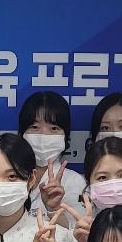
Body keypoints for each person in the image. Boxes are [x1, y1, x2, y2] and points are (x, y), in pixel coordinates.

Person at [19, 91, 86, 227]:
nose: (43, 135)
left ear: (65, 137)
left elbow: (80, 233)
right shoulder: (7, 177)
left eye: (54, 128)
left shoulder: (74, 182)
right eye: (35, 127)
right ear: (22, 133)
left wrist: (54, 210)